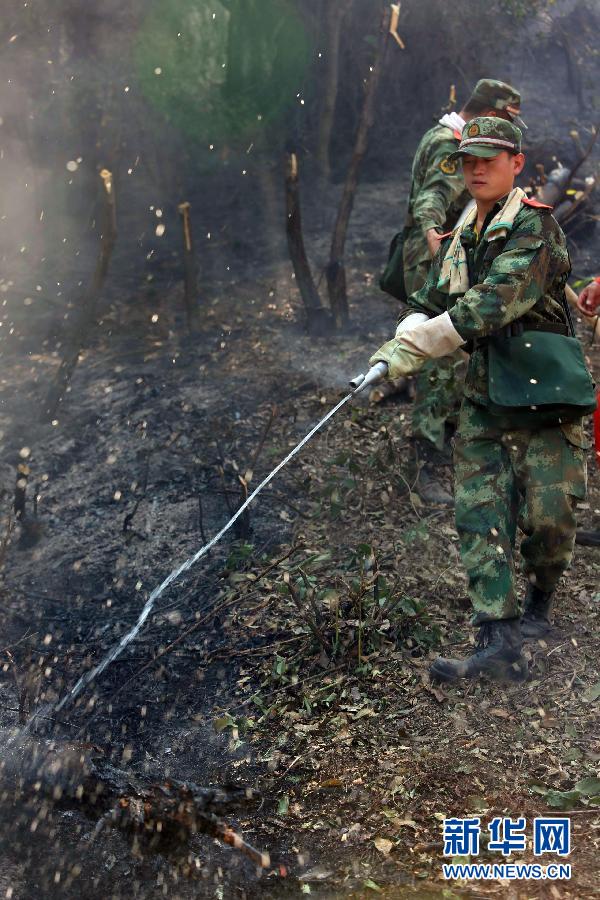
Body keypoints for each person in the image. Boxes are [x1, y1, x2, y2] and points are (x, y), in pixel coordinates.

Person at [370, 117, 590, 683]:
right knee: (479, 511)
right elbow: (432, 296)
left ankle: (541, 601)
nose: (476, 169)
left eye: (489, 159)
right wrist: (401, 335)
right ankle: (498, 639)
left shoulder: (534, 229)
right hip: (487, 395)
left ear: (517, 163)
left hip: (545, 393)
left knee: (551, 519)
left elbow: (490, 304)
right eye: (468, 159)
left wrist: (420, 342)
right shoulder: (464, 233)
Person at [402, 79, 526, 505]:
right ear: (488, 112)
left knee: (454, 346)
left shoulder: (447, 134)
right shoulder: (449, 143)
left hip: (449, 252)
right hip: (436, 256)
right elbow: (433, 195)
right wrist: (435, 234)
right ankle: (426, 459)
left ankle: (449, 429)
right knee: (443, 354)